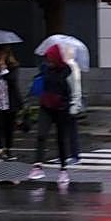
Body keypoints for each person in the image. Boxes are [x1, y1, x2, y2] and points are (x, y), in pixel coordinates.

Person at [28, 44, 72, 186]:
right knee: (41, 135)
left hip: (61, 108)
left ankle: (63, 170)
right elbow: (39, 83)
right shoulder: (45, 68)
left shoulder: (67, 71)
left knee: (61, 139)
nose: (49, 61)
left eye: (51, 58)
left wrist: (68, 104)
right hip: (46, 106)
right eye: (48, 58)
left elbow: (70, 90)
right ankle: (37, 166)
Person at [0, 45, 23, 161]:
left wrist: (3, 68)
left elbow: (12, 80)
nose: (1, 56)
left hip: (10, 101)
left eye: (4, 53)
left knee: (9, 126)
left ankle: (8, 149)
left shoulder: (14, 66)